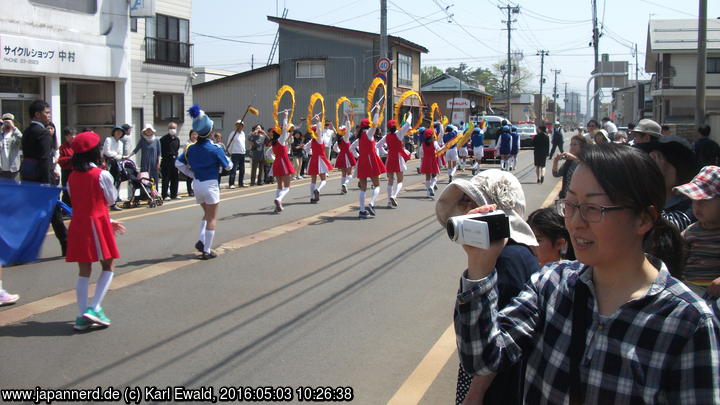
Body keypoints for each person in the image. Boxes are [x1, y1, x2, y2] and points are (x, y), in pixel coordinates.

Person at [454, 143, 719, 404]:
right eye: (570, 204)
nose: (576, 222)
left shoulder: (687, 321)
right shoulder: (551, 284)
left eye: (594, 208)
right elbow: (483, 358)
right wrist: (480, 266)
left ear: (643, 219)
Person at [434, 169, 539, 405]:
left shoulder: (507, 259)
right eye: (464, 202)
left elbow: (496, 338)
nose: (464, 209)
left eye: (470, 201)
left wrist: (476, 392)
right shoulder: (504, 252)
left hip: (497, 388)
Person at [65, 131, 126, 330]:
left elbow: (77, 201)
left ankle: (82, 314)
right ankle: (95, 307)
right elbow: (111, 200)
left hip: (79, 224)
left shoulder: (72, 176)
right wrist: (107, 218)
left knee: (84, 270)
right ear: (94, 152)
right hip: (97, 224)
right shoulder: (102, 174)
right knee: (108, 265)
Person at [176, 105, 232, 259]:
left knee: (207, 214)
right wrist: (228, 159)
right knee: (212, 218)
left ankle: (202, 240)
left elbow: (178, 163)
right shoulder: (215, 148)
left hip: (197, 184)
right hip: (211, 185)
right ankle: (206, 250)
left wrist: (191, 174)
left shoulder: (190, 148)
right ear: (209, 132)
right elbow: (228, 166)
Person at [20, 100, 68, 256]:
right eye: (46, 113)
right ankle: (66, 245)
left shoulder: (27, 131)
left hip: (29, 178)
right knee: (54, 214)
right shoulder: (42, 133)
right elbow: (44, 159)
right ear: (37, 114)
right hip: (42, 180)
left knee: (38, 216)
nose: (49, 115)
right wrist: (47, 183)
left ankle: (65, 245)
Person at [674, 165, 720, 300]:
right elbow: (677, 255)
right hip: (689, 287)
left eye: (704, 201)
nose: (697, 206)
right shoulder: (691, 231)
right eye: (694, 200)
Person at [635, 135, 699, 231]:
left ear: (679, 170)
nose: (651, 168)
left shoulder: (693, 206)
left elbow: (669, 227)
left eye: (659, 159)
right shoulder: (645, 198)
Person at [356, 112, 386, 219]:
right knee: (377, 185)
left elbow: (351, 148)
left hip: (362, 162)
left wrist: (358, 156)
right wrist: (377, 111)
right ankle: (371, 204)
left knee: (363, 188)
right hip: (370, 161)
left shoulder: (359, 136)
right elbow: (375, 123)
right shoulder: (369, 134)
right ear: (368, 126)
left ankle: (362, 210)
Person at [378, 117, 411, 208]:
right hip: (398, 158)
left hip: (390, 158)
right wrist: (410, 115)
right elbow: (408, 124)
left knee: (390, 180)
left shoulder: (386, 136)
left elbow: (378, 145)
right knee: (400, 180)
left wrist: (386, 152)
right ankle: (394, 195)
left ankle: (389, 201)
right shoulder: (399, 134)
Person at [269, 112, 295, 212]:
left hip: (276, 163)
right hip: (283, 162)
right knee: (287, 186)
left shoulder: (274, 143)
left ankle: (277, 205)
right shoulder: (281, 140)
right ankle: (279, 199)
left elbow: (268, 153)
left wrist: (274, 159)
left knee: (279, 185)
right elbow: (284, 129)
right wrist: (286, 116)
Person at [304, 122, 334, 203]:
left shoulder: (312, 140)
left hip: (313, 159)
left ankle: (312, 197)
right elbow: (319, 132)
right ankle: (318, 189)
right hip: (321, 160)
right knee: (323, 179)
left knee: (313, 180)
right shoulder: (320, 139)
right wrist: (318, 122)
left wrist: (311, 152)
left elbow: (305, 148)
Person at [552, 134, 588, 199]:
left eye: (574, 144)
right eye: (571, 144)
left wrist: (574, 158)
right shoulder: (569, 161)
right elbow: (556, 174)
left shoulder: (586, 160)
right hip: (567, 197)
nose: (572, 147)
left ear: (582, 147)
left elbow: (587, 168)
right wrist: (556, 161)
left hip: (580, 199)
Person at [126, 124, 161, 190]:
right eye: (147, 130)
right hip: (145, 162)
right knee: (144, 178)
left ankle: (154, 192)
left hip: (154, 162)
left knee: (154, 178)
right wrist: (128, 156)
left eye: (150, 130)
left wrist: (159, 163)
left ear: (152, 131)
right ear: (144, 132)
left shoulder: (156, 140)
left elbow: (159, 153)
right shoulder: (142, 140)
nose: (148, 132)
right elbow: (136, 150)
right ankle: (145, 193)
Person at [103, 125, 126, 211]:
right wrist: (116, 155)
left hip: (116, 164)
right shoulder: (108, 140)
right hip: (108, 163)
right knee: (107, 183)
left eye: (120, 132)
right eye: (117, 131)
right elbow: (107, 152)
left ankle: (113, 202)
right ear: (114, 132)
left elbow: (121, 155)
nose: (119, 133)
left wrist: (116, 155)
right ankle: (106, 202)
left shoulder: (120, 143)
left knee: (116, 182)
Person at [333, 115, 356, 194]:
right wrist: (348, 120)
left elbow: (334, 148)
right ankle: (345, 184)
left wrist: (339, 151)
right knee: (350, 173)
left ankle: (343, 188)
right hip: (348, 156)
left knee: (343, 173)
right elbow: (349, 129)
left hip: (341, 156)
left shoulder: (338, 140)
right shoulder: (345, 138)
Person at [159, 122, 181, 200]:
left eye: (174, 128)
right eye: (171, 128)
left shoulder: (177, 139)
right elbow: (160, 151)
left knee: (175, 178)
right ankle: (165, 195)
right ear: (168, 129)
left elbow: (177, 150)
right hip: (166, 160)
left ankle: (174, 194)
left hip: (175, 161)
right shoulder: (163, 139)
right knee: (166, 179)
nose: (173, 130)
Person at [1, 113, 23, 181]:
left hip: (14, 170)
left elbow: (23, 139)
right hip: (2, 169)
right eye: (5, 121)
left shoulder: (15, 135)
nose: (7, 124)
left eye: (9, 121)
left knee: (15, 190)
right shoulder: (0, 135)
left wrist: (13, 127)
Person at [58, 127, 77, 207]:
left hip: (76, 171)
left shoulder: (77, 145)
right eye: (70, 135)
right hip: (67, 171)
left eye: (74, 134)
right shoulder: (63, 147)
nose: (73, 136)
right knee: (66, 191)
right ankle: (65, 209)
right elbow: (60, 160)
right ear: (66, 137)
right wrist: (70, 158)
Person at [419, 128, 440, 198]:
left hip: (425, 160)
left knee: (427, 177)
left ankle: (428, 192)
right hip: (433, 160)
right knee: (435, 175)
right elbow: (439, 150)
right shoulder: (434, 142)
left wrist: (422, 162)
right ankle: (432, 186)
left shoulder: (423, 144)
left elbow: (421, 154)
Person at [227, 120, 246, 188]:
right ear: (236, 126)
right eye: (238, 125)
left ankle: (241, 183)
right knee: (234, 169)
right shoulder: (233, 133)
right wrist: (230, 152)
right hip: (235, 153)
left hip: (242, 153)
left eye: (241, 125)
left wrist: (244, 150)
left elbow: (243, 143)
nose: (239, 126)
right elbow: (229, 142)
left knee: (242, 169)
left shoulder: (243, 133)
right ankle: (231, 183)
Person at [185, 129, 198, 196]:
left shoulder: (198, 143)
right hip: (190, 162)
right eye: (193, 134)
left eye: (196, 134)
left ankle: (195, 190)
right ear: (190, 135)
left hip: (197, 163)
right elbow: (186, 154)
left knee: (196, 178)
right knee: (189, 177)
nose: (194, 136)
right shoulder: (188, 144)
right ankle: (190, 191)